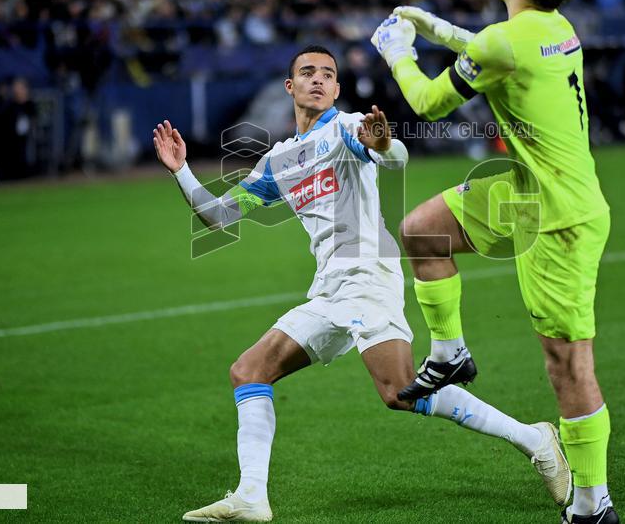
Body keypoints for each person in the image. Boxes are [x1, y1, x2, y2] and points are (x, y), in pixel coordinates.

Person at [154, 44, 570, 522]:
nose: (318, 80)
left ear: (335, 88)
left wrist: (384, 145)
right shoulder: (278, 161)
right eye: (306, 73)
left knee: (398, 391)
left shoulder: (347, 128)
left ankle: (535, 439)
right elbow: (220, 216)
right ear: (289, 87)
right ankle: (252, 496)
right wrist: (182, 170)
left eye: (327, 75)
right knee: (249, 371)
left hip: (369, 275)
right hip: (329, 288)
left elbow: (395, 158)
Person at [371, 0, 617, 523]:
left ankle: (592, 504)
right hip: (527, 190)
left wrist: (398, 51)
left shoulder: (505, 42)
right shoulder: (554, 27)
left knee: (567, 364)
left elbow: (427, 103)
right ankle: (450, 353)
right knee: (423, 230)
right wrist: (433, 26)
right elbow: (491, 45)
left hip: (557, 216)